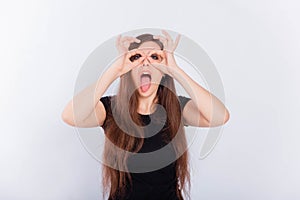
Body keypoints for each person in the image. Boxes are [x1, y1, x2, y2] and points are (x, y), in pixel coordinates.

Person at [61, 30, 230, 200]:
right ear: (130, 67)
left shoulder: (176, 108)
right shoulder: (111, 109)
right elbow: (70, 115)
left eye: (155, 57)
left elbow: (220, 116)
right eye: (137, 57)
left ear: (163, 71)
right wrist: (116, 69)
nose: (146, 63)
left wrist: (175, 70)